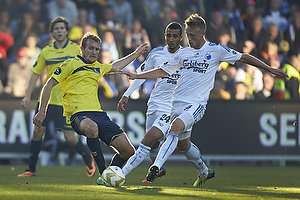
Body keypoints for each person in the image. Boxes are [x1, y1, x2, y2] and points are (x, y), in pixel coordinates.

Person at [121, 14, 288, 186]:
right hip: (176, 104)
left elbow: (244, 57)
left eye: (192, 35)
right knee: (183, 145)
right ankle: (204, 171)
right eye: (187, 35)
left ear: (202, 33)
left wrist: (268, 68)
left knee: (175, 128)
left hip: (197, 105)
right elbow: (162, 71)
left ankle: (156, 167)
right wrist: (136, 75)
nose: (189, 38)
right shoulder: (183, 53)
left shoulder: (216, 50)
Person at [32, 32, 148, 184]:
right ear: (82, 49)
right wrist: (42, 111)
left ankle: (105, 178)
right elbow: (49, 84)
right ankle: (103, 171)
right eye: (91, 48)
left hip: (99, 114)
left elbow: (116, 66)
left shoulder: (98, 67)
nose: (94, 52)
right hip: (78, 115)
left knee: (129, 151)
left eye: (97, 49)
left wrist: (136, 53)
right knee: (92, 129)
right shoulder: (70, 64)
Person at [18, 17, 96, 178]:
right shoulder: (46, 51)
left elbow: (88, 68)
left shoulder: (76, 49)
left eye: (62, 28)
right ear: (52, 33)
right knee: (37, 133)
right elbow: (35, 74)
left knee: (69, 137)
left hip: (66, 101)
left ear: (67, 31)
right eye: (56, 29)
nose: (59, 31)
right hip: (46, 100)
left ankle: (88, 157)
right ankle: (31, 169)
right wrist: (27, 96)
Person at [117, 22, 183, 182]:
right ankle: (159, 168)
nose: (171, 39)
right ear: (165, 36)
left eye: (175, 36)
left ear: (181, 38)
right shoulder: (156, 54)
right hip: (154, 103)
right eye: (169, 35)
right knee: (153, 145)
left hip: (172, 107)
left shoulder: (187, 56)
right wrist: (127, 94)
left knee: (147, 140)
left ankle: (120, 175)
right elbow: (142, 75)